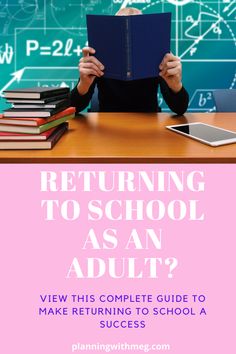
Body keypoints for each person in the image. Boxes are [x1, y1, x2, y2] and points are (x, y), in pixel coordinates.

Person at [70, 7, 189, 115]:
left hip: (148, 126)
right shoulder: (98, 55)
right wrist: (83, 85)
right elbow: (73, 108)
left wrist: (176, 85)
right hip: (107, 126)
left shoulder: (157, 55)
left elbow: (180, 109)